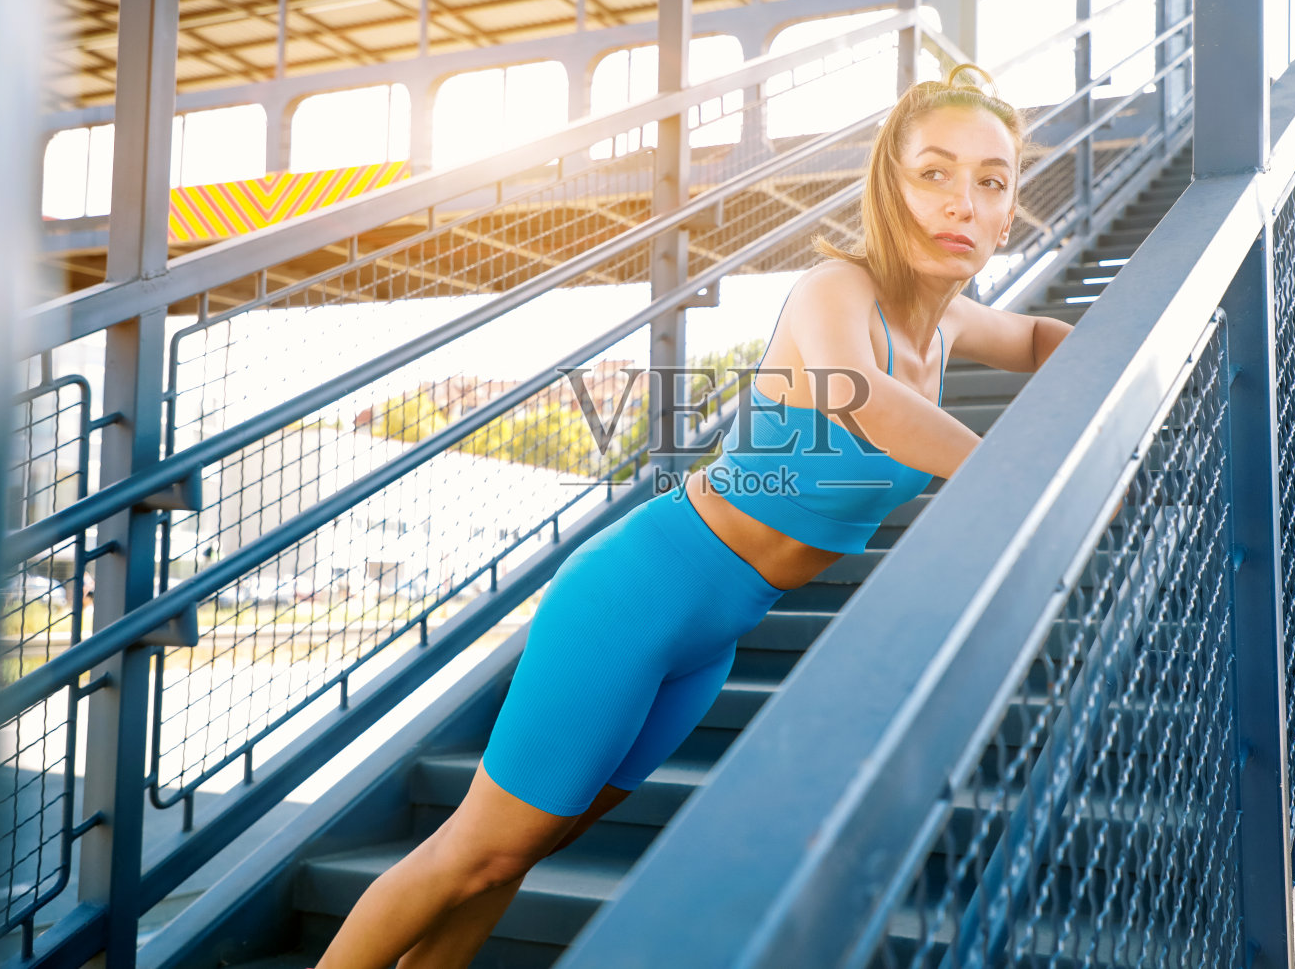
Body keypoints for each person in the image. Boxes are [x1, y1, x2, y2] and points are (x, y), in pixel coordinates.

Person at [314, 62, 1072, 969]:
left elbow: (1032, 338)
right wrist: (1008, 470)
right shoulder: (839, 289)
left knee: (522, 849)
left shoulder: (949, 327)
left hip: (716, 635)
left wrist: (1123, 365)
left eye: (993, 182)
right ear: (889, 184)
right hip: (642, 590)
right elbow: (863, 399)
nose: (964, 201)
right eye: (935, 172)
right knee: (475, 847)